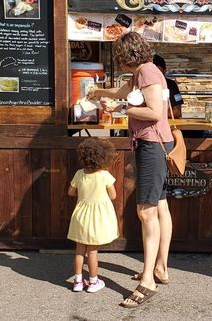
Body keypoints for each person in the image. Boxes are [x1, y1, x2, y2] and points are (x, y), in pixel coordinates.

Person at [89, 32, 172, 308]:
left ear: (125, 55)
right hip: (153, 144)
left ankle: (148, 281)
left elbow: (154, 112)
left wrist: (121, 108)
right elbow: (122, 93)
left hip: (151, 145)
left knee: (146, 212)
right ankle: (159, 268)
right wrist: (98, 92)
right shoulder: (142, 72)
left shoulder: (147, 73)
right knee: (159, 207)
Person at [67, 138, 119, 293]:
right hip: (96, 218)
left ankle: (77, 281)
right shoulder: (104, 175)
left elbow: (70, 192)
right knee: (92, 251)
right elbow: (114, 196)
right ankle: (93, 282)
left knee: (79, 250)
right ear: (103, 157)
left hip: (81, 215)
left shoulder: (79, 174)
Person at [153, 54, 184, 118]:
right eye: (152, 73)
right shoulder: (141, 84)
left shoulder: (171, 85)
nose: (155, 75)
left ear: (165, 71)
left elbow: (177, 112)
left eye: (158, 72)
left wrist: (152, 115)